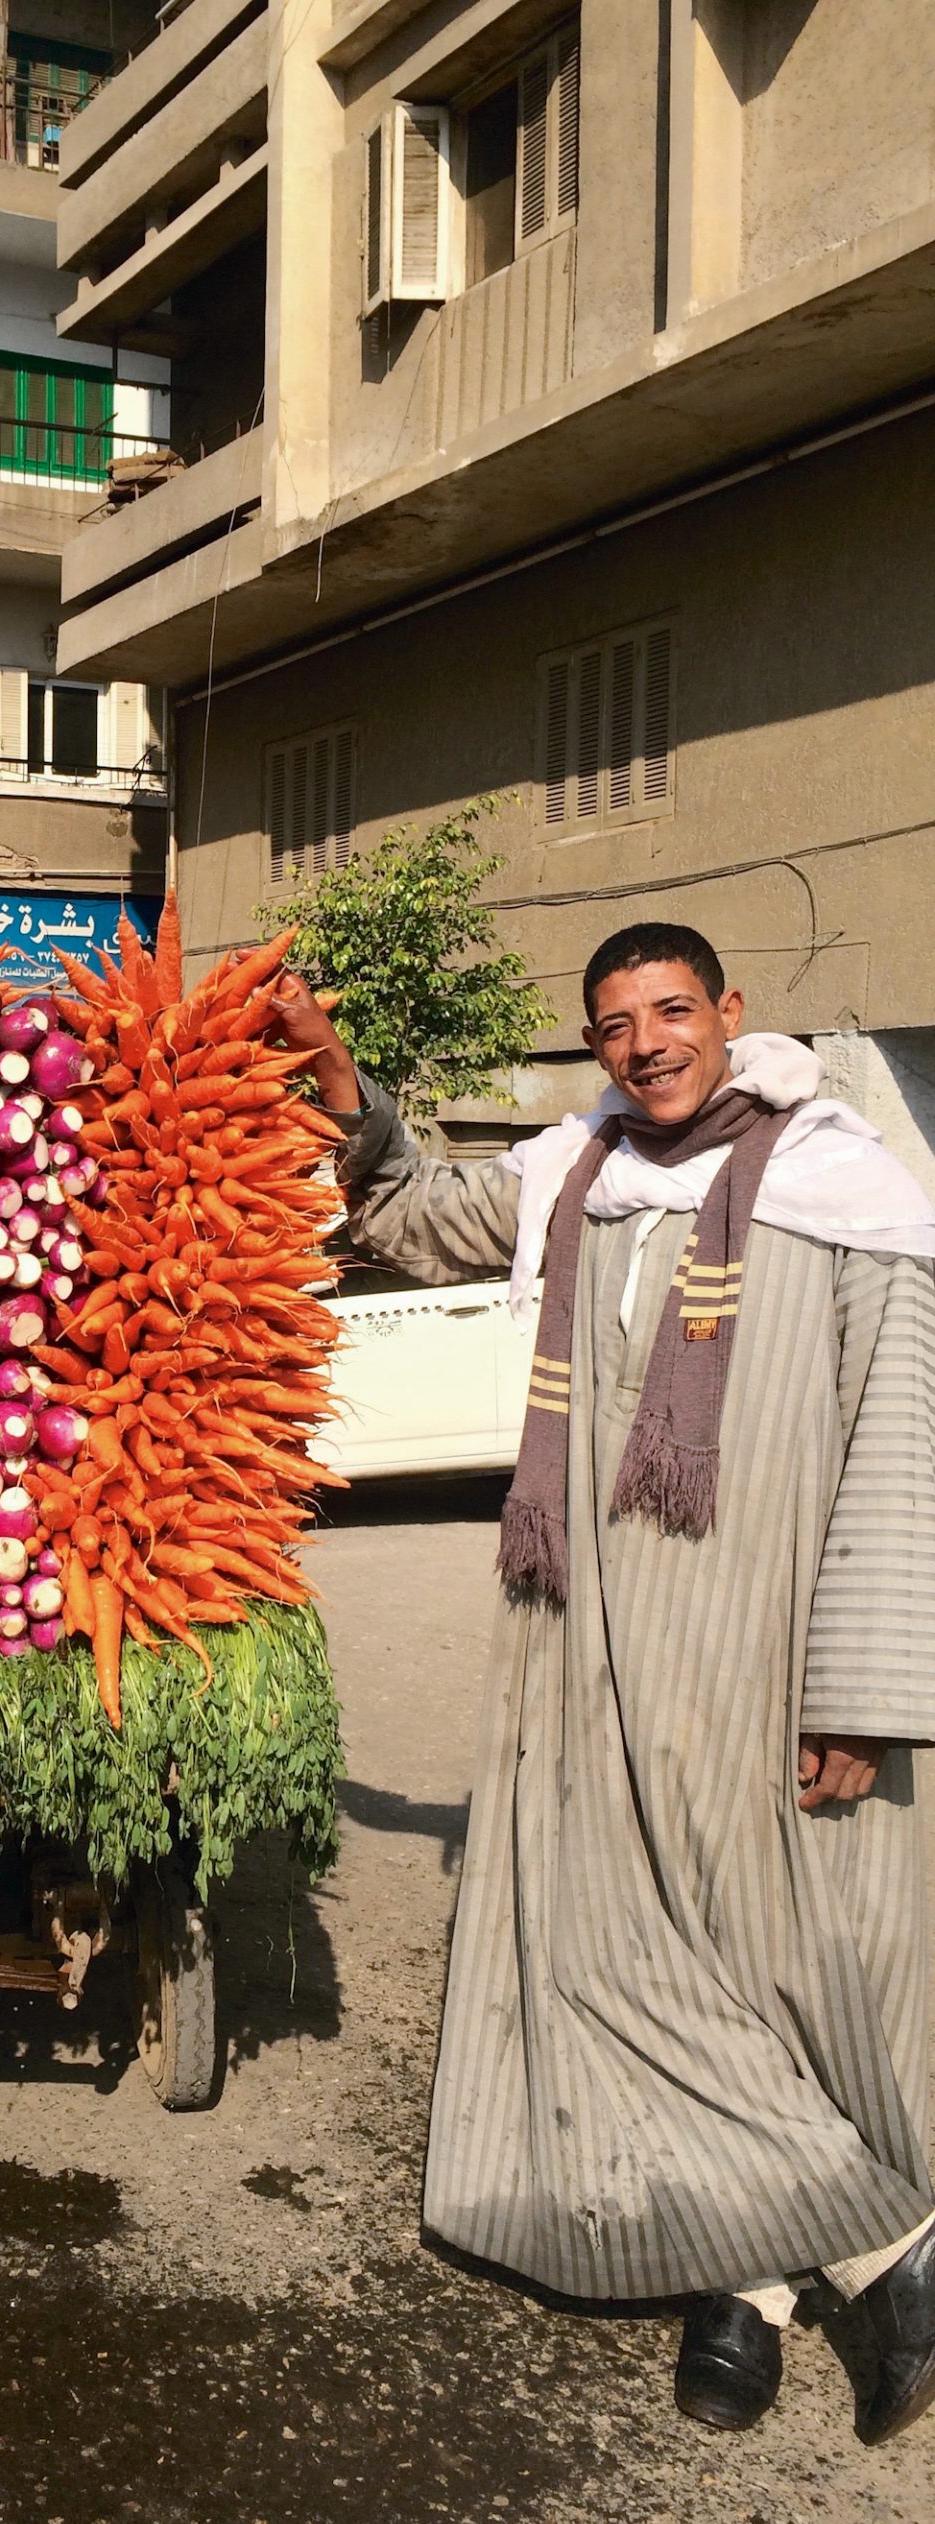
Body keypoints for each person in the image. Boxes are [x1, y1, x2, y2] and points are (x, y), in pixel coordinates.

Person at [272, 922, 935, 2444]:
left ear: (730, 1016)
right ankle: (765, 2280)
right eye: (615, 1025)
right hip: (587, 1642)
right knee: (628, 1941)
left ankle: (854, 2250)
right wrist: (331, 1071)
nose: (644, 1044)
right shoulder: (579, 1171)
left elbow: (904, 1452)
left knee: (766, 1955)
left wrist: (862, 1689)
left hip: (765, 1648)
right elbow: (414, 1215)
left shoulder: (848, 1190)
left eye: (671, 1012)